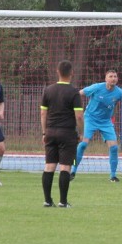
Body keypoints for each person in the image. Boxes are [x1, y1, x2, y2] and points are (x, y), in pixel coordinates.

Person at [40, 60, 83, 208]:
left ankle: (47, 200)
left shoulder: (48, 90)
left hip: (50, 132)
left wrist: (44, 132)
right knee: (65, 167)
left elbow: (43, 113)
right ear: (72, 73)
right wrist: (81, 132)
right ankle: (63, 202)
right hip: (67, 133)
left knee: (49, 166)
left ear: (57, 72)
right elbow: (79, 116)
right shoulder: (74, 92)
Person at [72, 69, 122, 182]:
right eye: (111, 76)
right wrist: (75, 109)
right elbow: (79, 93)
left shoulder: (119, 92)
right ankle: (72, 171)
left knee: (114, 147)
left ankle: (113, 176)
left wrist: (112, 120)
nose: (113, 78)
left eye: (115, 76)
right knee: (82, 145)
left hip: (106, 122)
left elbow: (114, 106)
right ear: (106, 78)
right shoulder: (96, 87)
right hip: (90, 119)